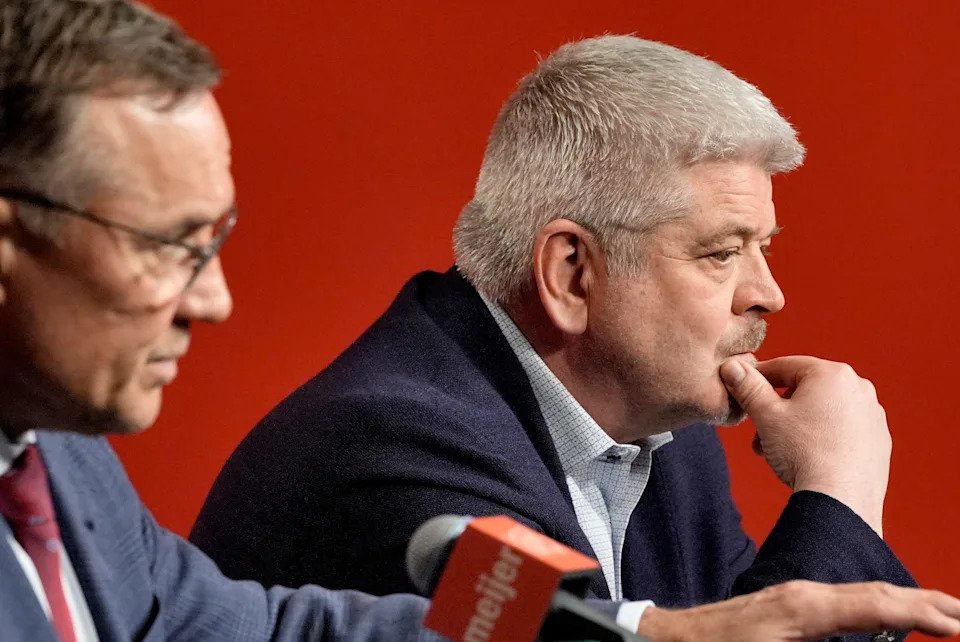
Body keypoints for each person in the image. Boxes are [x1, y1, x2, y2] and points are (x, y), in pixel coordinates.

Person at [2, 3, 959, 641]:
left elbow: (242, 622)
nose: (768, 295)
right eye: (720, 252)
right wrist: (837, 499)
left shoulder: (60, 458)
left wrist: (647, 633)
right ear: (572, 273)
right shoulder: (391, 449)